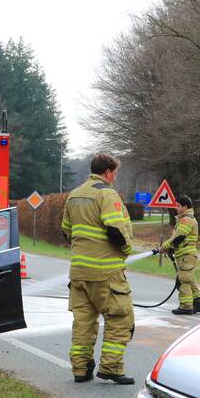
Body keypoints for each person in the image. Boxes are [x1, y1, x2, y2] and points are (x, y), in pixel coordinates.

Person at [60, 153, 135, 385]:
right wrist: (126, 248)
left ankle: (80, 369)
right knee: (120, 319)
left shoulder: (74, 195)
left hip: (79, 273)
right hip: (107, 273)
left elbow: (66, 231)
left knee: (83, 322)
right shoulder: (107, 194)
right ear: (108, 172)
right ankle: (111, 367)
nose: (115, 177)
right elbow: (115, 230)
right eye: (115, 173)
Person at [162, 195, 200, 316]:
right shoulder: (184, 219)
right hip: (186, 255)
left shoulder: (186, 219)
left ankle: (186, 306)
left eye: (178, 206)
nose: (176, 208)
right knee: (189, 279)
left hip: (186, 255)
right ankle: (197, 302)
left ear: (185, 207)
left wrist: (165, 246)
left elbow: (179, 237)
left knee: (183, 280)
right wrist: (171, 248)